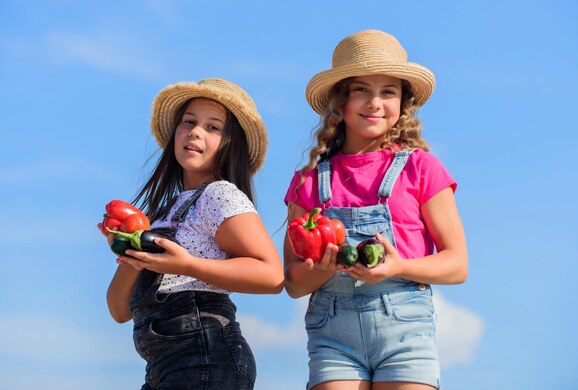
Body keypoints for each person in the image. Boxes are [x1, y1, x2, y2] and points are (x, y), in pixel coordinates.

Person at [283, 30, 468, 390]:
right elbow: (292, 282)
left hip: (405, 333)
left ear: (402, 103)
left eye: (388, 92)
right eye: (361, 90)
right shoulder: (308, 181)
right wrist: (320, 271)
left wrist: (399, 267)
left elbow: (457, 264)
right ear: (341, 100)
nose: (375, 102)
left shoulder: (422, 168)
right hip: (333, 337)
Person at [100, 78, 283, 389]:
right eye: (189, 122)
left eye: (213, 127)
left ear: (230, 145)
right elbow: (118, 310)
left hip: (206, 356)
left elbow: (272, 276)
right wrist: (128, 252)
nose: (196, 131)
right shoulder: (161, 214)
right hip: (163, 366)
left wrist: (187, 266)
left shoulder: (220, 195)